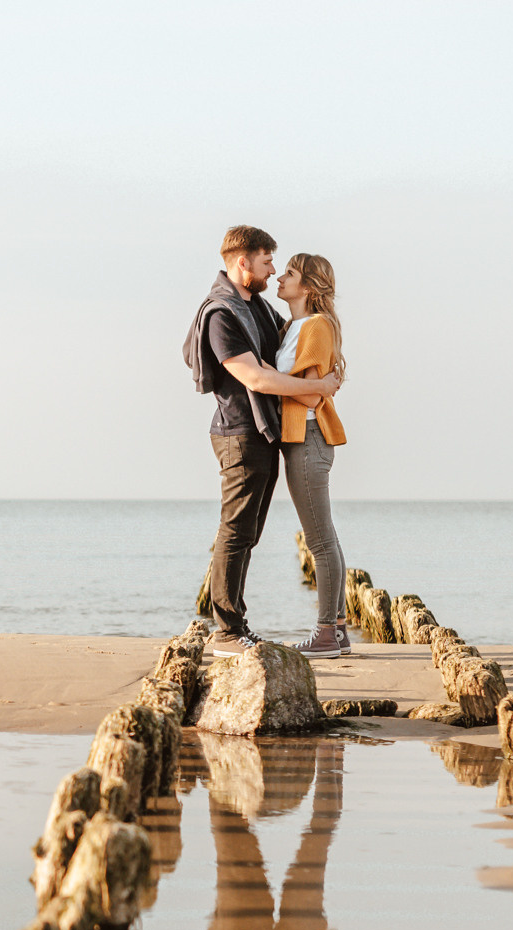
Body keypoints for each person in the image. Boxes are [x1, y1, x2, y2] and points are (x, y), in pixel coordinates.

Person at [184, 226, 342, 657]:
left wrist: (320, 377)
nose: (273, 271)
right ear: (243, 262)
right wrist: (318, 388)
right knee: (236, 532)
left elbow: (296, 351)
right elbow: (255, 377)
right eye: (267, 261)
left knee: (249, 533)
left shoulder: (260, 310)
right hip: (238, 433)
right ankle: (227, 631)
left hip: (266, 433)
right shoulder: (222, 314)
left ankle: (239, 627)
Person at [273, 253, 349, 657]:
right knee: (326, 537)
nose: (279, 278)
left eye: (289, 273)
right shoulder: (292, 327)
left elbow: (310, 394)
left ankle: (325, 635)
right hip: (299, 438)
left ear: (307, 286)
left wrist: (264, 378)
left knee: (319, 542)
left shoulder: (317, 326)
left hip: (308, 437)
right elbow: (309, 386)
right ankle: (338, 631)